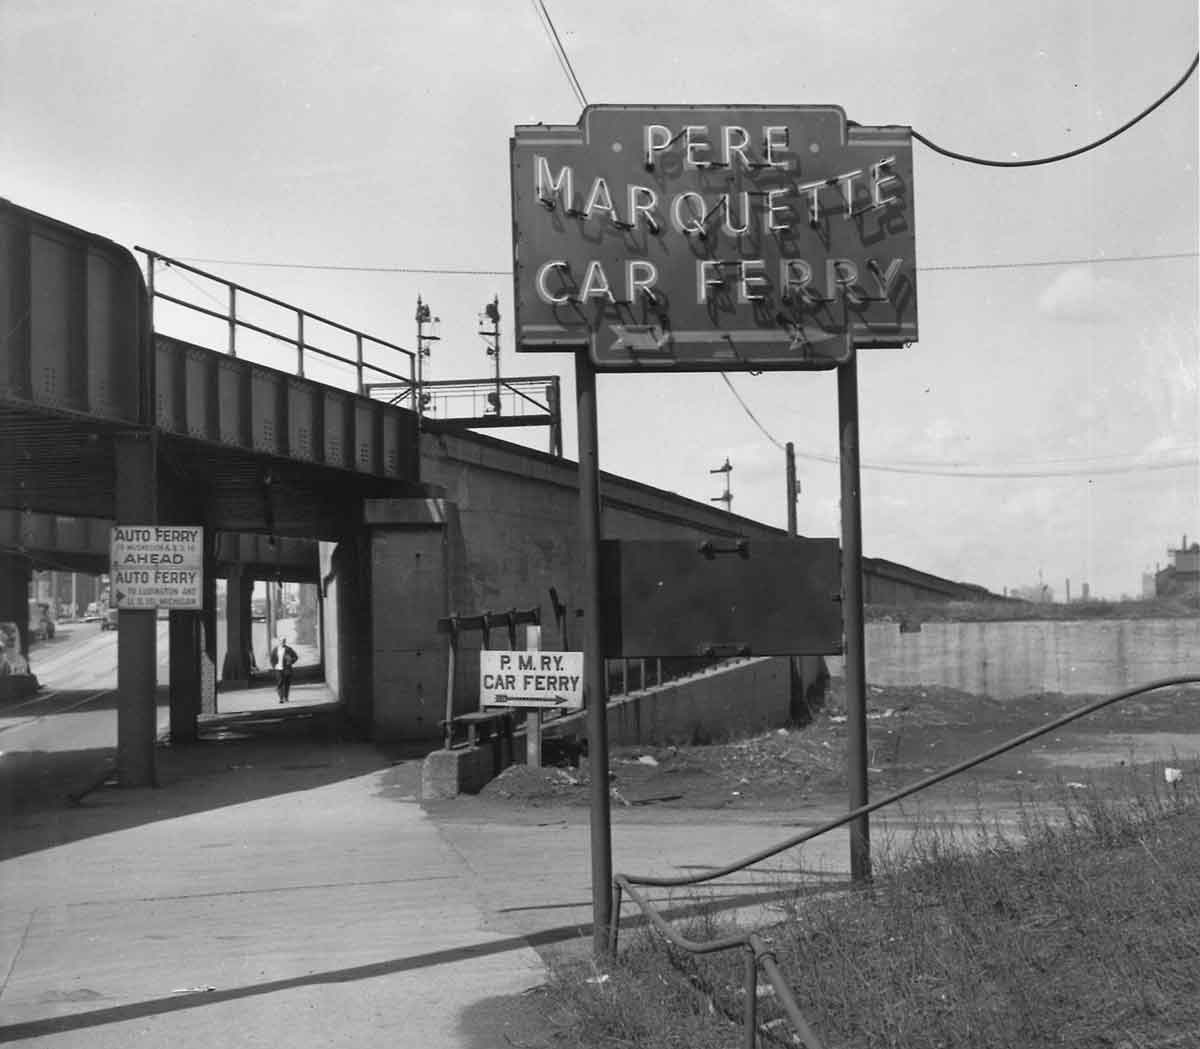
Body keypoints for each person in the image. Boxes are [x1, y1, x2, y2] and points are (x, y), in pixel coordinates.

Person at [270, 636, 298, 703]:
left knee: (286, 684)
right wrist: (274, 666)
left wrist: (291, 661)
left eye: (284, 641)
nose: (282, 642)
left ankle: (286, 697)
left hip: (287, 669)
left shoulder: (289, 649)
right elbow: (272, 659)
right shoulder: (275, 649)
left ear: (285, 642)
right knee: (280, 683)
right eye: (281, 641)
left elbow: (295, 657)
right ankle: (281, 698)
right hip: (278, 669)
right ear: (279, 641)